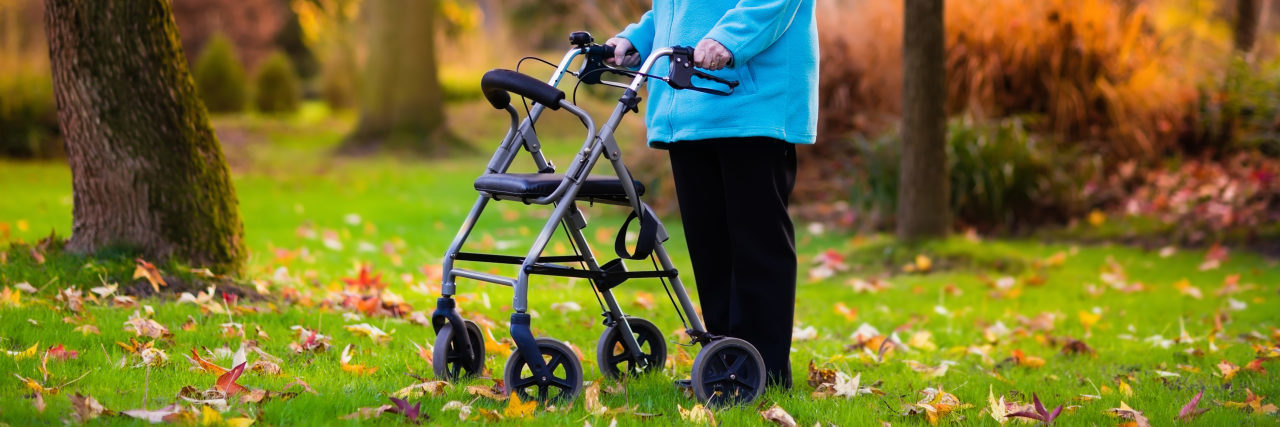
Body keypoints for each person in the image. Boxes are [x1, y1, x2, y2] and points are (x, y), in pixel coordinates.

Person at [606, 0, 818, 389]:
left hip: (752, 101)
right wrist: (635, 39)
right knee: (710, 249)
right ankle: (727, 367)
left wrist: (728, 38)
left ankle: (764, 375)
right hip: (690, 104)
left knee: (757, 248)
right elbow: (678, 11)